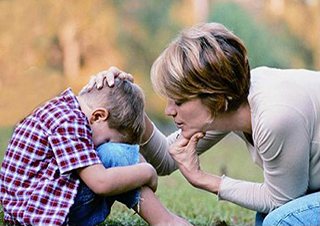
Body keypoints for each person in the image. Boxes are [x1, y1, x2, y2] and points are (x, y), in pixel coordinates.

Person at [85, 23, 320, 226]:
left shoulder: (275, 116)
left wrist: (203, 179)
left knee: (280, 220)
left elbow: (281, 201)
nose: (168, 110)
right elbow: (167, 159)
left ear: (215, 99)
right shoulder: (230, 103)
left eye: (178, 101)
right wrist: (124, 104)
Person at [0, 78, 190, 226]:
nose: (98, 147)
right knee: (114, 154)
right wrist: (148, 171)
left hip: (30, 207)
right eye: (106, 139)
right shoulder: (70, 123)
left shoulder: (63, 109)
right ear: (98, 116)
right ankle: (164, 220)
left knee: (115, 157)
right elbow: (101, 182)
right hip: (42, 213)